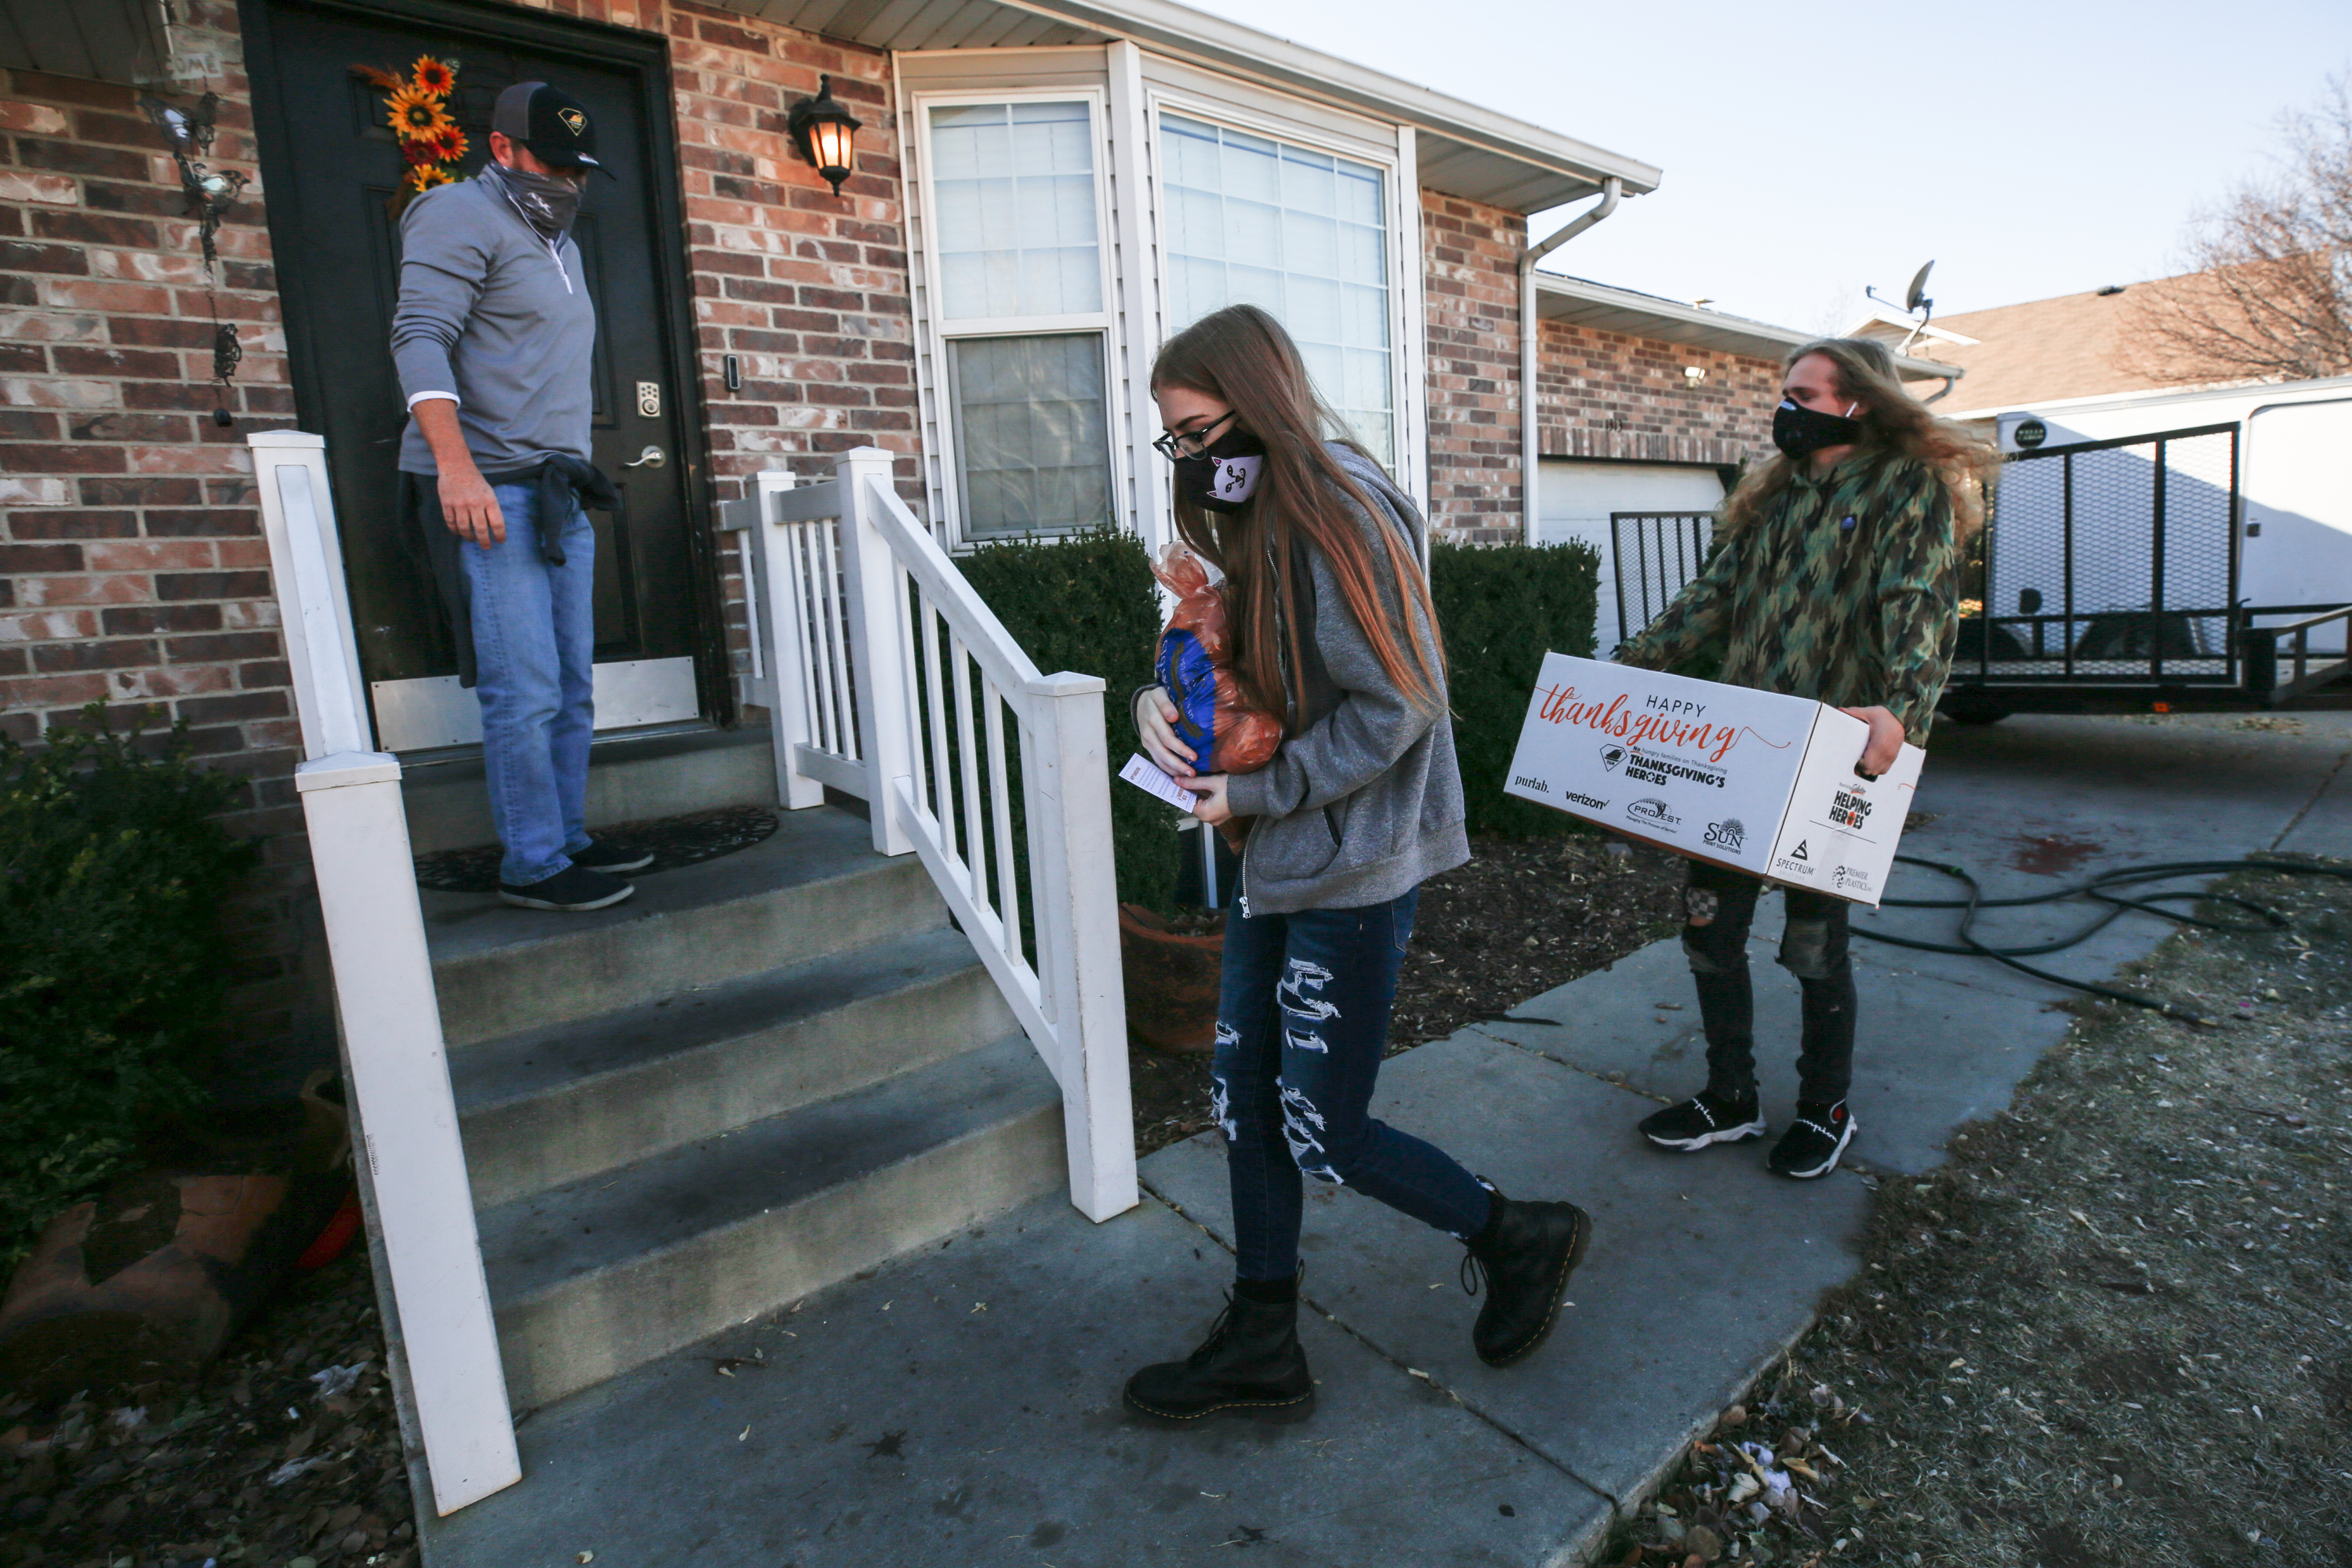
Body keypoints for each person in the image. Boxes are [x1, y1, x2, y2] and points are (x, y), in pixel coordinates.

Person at [1123, 305, 1594, 1427]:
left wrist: (1254, 792)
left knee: (1319, 1125)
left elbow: (1403, 702)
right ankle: (1263, 1336)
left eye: (1194, 433)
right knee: (1245, 1102)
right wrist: (1163, 697)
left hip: (1353, 863)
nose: (1187, 459)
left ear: (1259, 401)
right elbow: (1236, 652)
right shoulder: (1263, 514)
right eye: (1173, 441)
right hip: (1284, 859)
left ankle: (1515, 1232)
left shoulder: (1337, 514)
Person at [1614, 337, 1998, 1178]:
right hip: (1744, 746)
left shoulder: (1906, 488)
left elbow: (1920, 608)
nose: (1784, 407)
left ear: (1856, 401)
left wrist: (1902, 715)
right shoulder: (1776, 496)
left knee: (1816, 943)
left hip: (1833, 752)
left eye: (1801, 392)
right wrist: (1627, 670)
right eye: (1785, 392)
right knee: (1709, 927)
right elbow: (1712, 598)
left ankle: (1826, 1108)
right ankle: (1731, 1095)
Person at [390, 81, 649, 912]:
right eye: (551, 162)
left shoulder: (560, 244)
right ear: (501, 149)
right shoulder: (454, 214)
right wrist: (455, 470)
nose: (567, 181)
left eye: (578, 168)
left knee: (573, 680)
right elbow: (420, 335)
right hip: (492, 487)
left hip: (557, 490)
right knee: (525, 684)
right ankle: (531, 863)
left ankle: (565, 836)